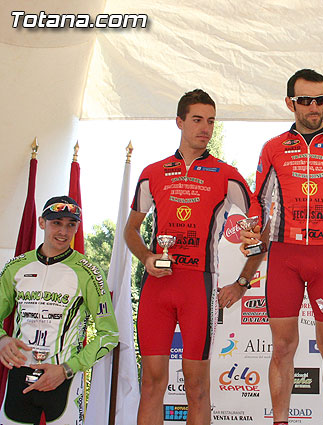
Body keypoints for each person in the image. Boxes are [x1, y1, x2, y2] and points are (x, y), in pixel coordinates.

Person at [239, 68, 323, 425]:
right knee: (282, 347)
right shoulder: (273, 148)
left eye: (321, 100)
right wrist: (252, 232)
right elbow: (258, 201)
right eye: (306, 100)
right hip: (284, 255)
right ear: (290, 103)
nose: (314, 107)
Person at [124, 89, 253, 425]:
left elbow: (262, 226)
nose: (205, 128)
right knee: (151, 384)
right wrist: (147, 257)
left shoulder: (226, 174)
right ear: (179, 122)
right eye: (197, 120)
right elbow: (130, 230)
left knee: (196, 387)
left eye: (211, 121)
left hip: (198, 286)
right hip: (157, 285)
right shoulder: (153, 172)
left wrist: (243, 281)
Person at [0, 195, 119, 425]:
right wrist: (2, 339)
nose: (63, 232)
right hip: (19, 373)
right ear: (41, 222)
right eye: (56, 223)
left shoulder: (89, 272)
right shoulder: (16, 266)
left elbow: (109, 334)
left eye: (71, 225)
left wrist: (67, 369)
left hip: (64, 378)